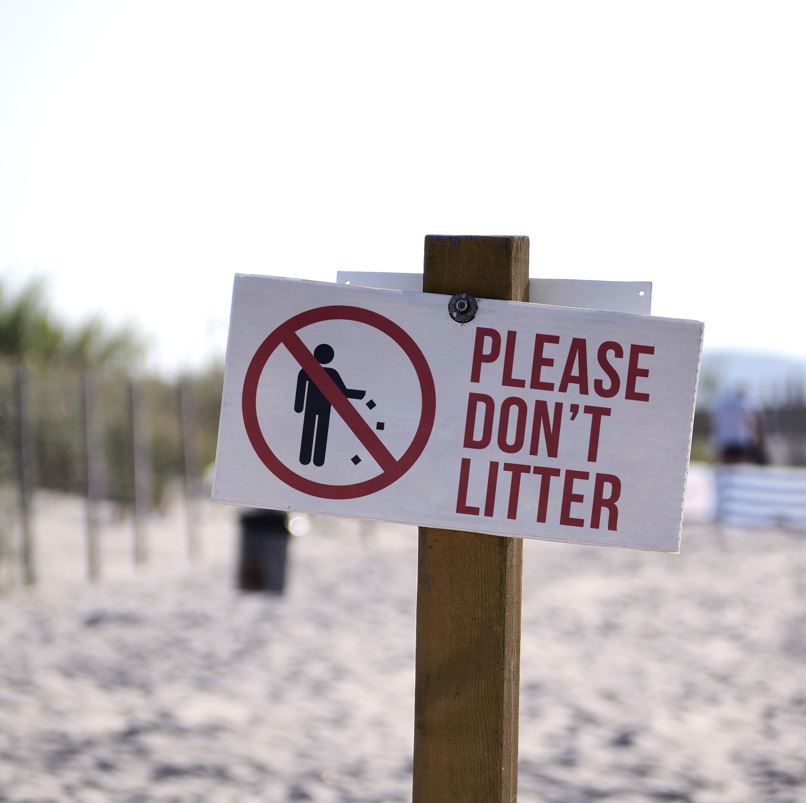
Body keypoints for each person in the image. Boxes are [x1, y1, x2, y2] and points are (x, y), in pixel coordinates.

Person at [294, 343, 365, 467]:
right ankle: (315, 459)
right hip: (323, 407)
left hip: (317, 407)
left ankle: (309, 459)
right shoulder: (330, 373)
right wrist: (359, 395)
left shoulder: (308, 370)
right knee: (318, 431)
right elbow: (343, 392)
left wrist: (298, 407)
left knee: (312, 430)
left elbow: (301, 389)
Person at [711, 386, 765, 464]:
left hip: (725, 444)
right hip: (739, 444)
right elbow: (751, 424)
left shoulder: (721, 405)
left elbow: (716, 424)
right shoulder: (743, 405)